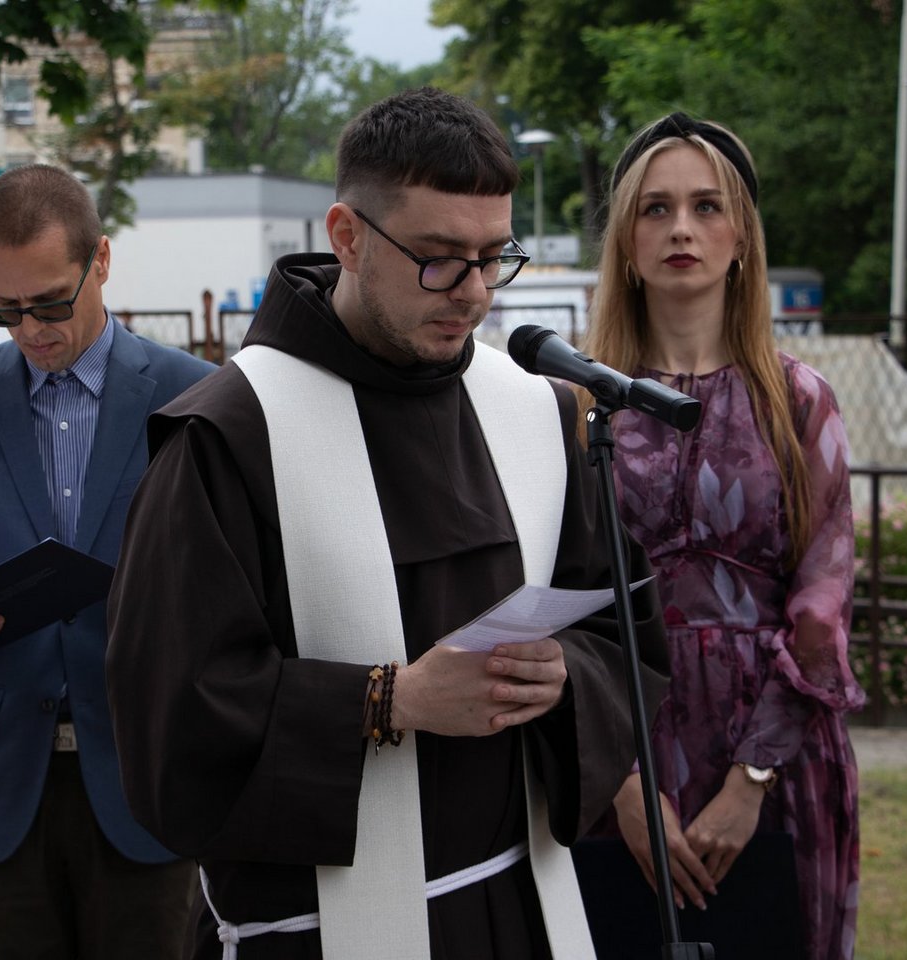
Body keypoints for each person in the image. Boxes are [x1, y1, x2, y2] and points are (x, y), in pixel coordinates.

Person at [104, 86, 669, 960]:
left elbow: (622, 632)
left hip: (522, 910)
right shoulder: (230, 436)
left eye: (493, 258)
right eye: (438, 259)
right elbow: (172, 716)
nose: (473, 293)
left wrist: (563, 675)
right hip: (316, 932)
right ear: (347, 236)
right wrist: (390, 700)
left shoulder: (537, 413)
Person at [0, 163, 216, 959]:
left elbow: (233, 591)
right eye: (4, 309)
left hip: (146, 782)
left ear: (100, 261)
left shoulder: (197, 397)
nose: (30, 329)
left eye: (48, 303)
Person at [579, 113, 864, 960]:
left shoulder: (797, 399)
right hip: (623, 749)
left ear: (741, 237)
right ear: (626, 240)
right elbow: (562, 604)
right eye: (656, 208)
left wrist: (752, 780)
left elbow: (823, 600)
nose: (681, 229)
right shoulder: (575, 404)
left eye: (706, 206)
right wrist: (622, 783)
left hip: (776, 758)